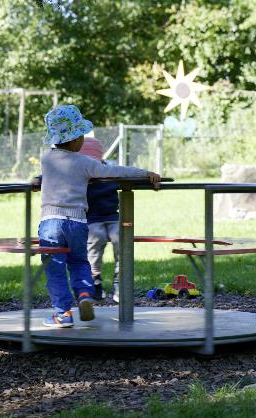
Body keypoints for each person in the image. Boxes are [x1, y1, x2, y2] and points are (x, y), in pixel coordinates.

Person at [39, 104, 160, 328]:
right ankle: (85, 295)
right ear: (75, 139)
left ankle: (63, 314)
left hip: (50, 222)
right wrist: (145, 173)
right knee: (79, 261)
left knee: (55, 267)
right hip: (77, 222)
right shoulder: (85, 163)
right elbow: (115, 171)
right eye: (82, 136)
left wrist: (37, 182)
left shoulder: (46, 159)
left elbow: (43, 177)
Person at [78, 137, 121, 302]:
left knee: (122, 237)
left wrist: (149, 178)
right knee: (95, 239)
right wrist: (39, 180)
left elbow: (128, 172)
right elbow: (55, 173)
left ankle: (120, 279)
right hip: (91, 218)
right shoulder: (78, 171)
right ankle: (95, 280)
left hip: (112, 216)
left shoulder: (109, 171)